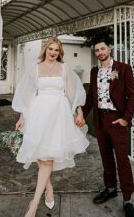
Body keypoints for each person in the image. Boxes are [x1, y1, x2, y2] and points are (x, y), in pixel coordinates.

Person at [12, 37, 88, 217]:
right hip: (38, 113)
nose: (53, 53)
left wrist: (79, 111)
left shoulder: (64, 68)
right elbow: (29, 94)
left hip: (58, 114)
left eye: (56, 50)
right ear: (45, 49)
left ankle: (33, 205)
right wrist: (22, 116)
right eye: (50, 49)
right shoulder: (36, 68)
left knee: (47, 158)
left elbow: (71, 92)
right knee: (40, 154)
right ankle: (49, 188)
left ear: (59, 52)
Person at [75, 36, 134, 216]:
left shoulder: (123, 69)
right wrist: (81, 115)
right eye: (96, 50)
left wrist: (126, 118)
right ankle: (110, 188)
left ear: (109, 49)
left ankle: (127, 199)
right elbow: (91, 98)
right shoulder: (94, 71)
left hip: (116, 120)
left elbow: (132, 96)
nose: (99, 52)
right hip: (100, 121)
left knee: (122, 160)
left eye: (102, 49)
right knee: (106, 157)